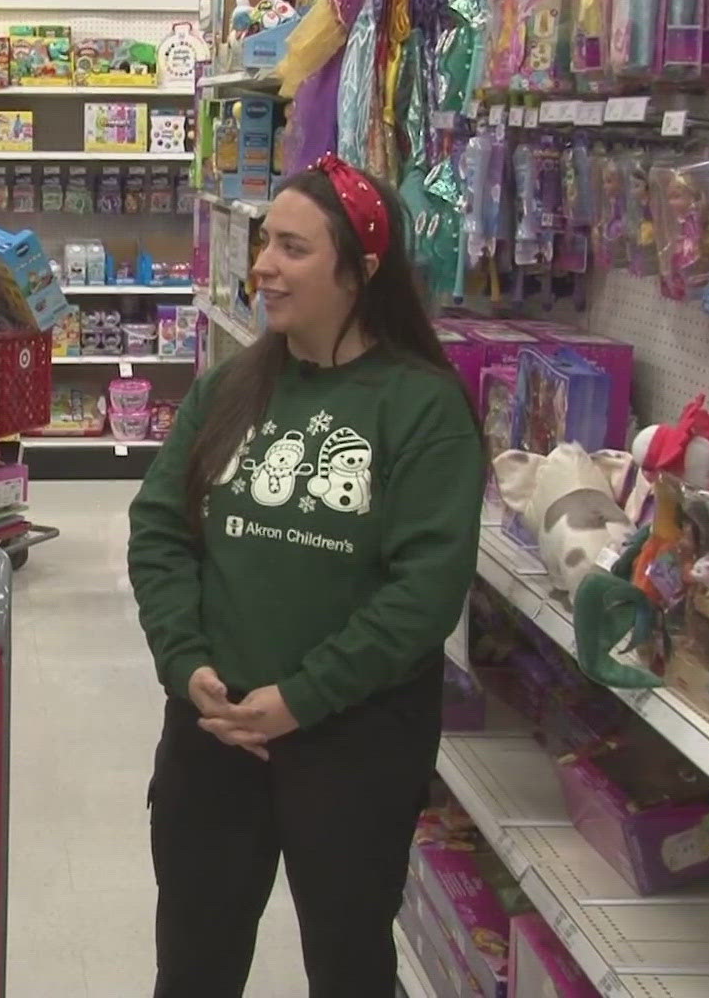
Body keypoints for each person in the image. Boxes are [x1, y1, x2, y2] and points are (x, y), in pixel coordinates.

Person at [127, 155, 484, 997]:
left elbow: (423, 593)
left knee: (350, 963)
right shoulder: (230, 389)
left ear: (359, 273)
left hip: (354, 743)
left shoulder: (422, 408)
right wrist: (187, 665)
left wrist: (301, 698)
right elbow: (159, 530)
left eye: (292, 248)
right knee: (193, 965)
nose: (262, 266)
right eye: (264, 244)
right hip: (214, 734)